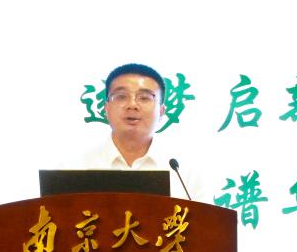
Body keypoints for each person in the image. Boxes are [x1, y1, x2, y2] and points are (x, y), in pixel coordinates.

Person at [75, 63, 206, 201]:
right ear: (106, 109)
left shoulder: (186, 176)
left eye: (144, 98)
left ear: (161, 111)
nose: (132, 105)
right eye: (121, 96)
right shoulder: (75, 168)